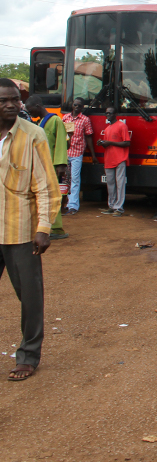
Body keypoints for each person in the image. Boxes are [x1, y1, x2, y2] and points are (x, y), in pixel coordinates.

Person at [0, 79, 61, 380]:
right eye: (4, 100)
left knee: (30, 296)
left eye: (15, 100)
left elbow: (46, 186)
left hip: (20, 230)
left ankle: (28, 355)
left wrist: (44, 228)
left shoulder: (33, 135)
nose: (11, 105)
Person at [25, 97, 68, 240]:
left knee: (52, 195)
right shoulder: (38, 123)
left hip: (52, 166)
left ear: (38, 106)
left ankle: (56, 228)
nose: (30, 113)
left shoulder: (55, 121)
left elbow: (61, 142)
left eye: (31, 110)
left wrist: (60, 164)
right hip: (39, 165)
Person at [61, 97, 96, 216]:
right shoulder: (65, 118)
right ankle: (64, 204)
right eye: (75, 104)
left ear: (82, 108)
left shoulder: (85, 120)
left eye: (79, 105)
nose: (77, 107)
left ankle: (73, 206)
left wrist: (93, 155)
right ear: (72, 105)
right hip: (65, 153)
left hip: (77, 153)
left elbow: (89, 136)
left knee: (75, 179)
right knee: (65, 180)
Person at [98, 106, 130, 217]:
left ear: (115, 114)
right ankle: (111, 206)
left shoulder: (122, 126)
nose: (108, 115)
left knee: (120, 184)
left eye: (110, 113)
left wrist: (109, 143)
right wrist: (102, 143)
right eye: (106, 113)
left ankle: (119, 208)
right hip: (109, 159)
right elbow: (108, 144)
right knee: (110, 184)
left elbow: (127, 142)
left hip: (120, 158)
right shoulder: (107, 129)